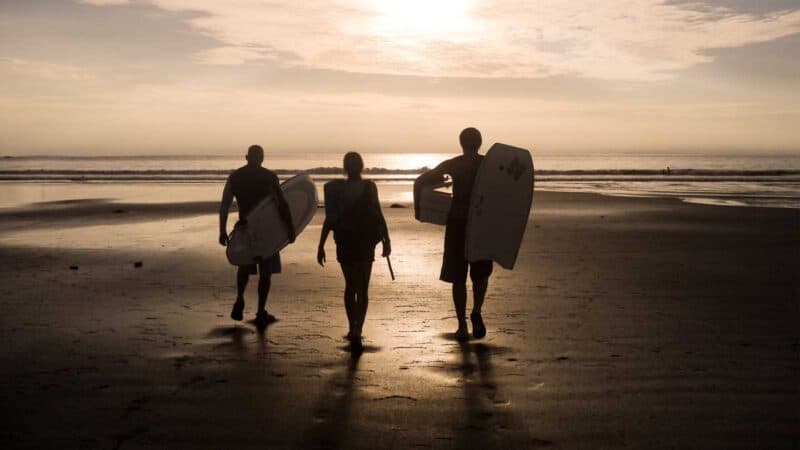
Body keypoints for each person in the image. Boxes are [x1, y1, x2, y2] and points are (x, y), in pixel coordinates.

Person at [414, 127, 492, 341]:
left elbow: (422, 182)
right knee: (481, 272)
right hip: (481, 224)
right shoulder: (489, 165)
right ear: (480, 142)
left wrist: (420, 209)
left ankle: (462, 325)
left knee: (458, 276)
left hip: (458, 223)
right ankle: (477, 310)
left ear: (461, 143)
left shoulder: (454, 164)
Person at [317, 152, 391, 342]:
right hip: (365, 242)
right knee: (362, 288)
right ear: (361, 166)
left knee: (350, 286)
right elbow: (377, 213)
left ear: (345, 167)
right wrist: (386, 239)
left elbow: (330, 219)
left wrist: (321, 244)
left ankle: (352, 327)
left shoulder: (335, 189)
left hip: (345, 241)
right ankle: (358, 328)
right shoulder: (369, 187)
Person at [219, 145, 295, 327]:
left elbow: (225, 204)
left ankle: (239, 298)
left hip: (245, 227)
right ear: (262, 158)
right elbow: (282, 204)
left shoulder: (235, 177)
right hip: (266, 230)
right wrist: (290, 228)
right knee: (265, 271)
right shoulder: (269, 177)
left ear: (246, 157)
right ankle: (261, 310)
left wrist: (222, 230)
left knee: (244, 266)